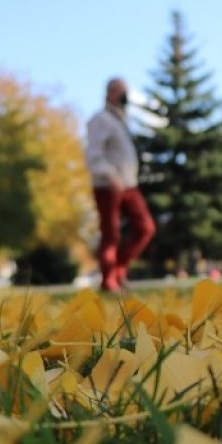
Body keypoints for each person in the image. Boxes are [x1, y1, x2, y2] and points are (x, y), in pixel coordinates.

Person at [86, 77, 155, 292]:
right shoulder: (101, 120)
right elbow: (93, 155)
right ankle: (108, 280)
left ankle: (118, 270)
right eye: (119, 90)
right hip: (109, 185)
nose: (124, 95)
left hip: (129, 185)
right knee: (111, 233)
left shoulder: (121, 120)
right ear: (109, 93)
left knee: (145, 228)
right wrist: (109, 174)